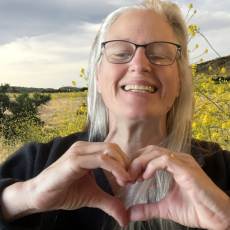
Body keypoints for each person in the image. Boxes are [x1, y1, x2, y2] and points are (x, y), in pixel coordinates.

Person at [0, 0, 230, 229]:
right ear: (98, 77)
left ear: (180, 82)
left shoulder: (222, 170)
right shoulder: (37, 163)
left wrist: (225, 218)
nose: (139, 65)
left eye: (159, 55)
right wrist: (26, 198)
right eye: (121, 53)